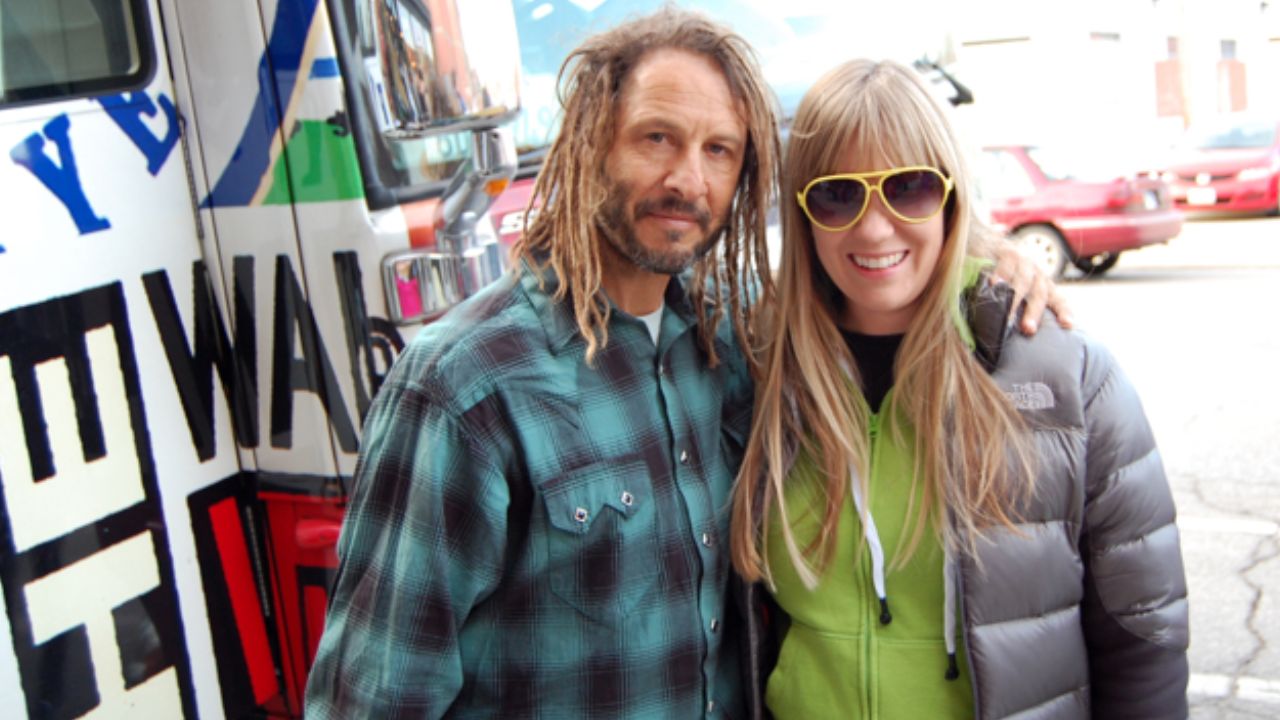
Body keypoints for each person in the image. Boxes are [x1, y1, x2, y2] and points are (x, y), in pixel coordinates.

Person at [304, 9, 1066, 718]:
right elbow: (373, 697)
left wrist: (987, 262)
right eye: (656, 139)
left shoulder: (732, 340)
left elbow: (873, 275)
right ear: (592, 144)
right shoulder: (464, 389)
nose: (687, 181)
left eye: (718, 150)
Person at [729, 58, 1189, 720]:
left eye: (908, 187)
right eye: (838, 194)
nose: (874, 226)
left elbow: (1143, 639)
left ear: (950, 195)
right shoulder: (759, 369)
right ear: (803, 212)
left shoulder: (1066, 377)